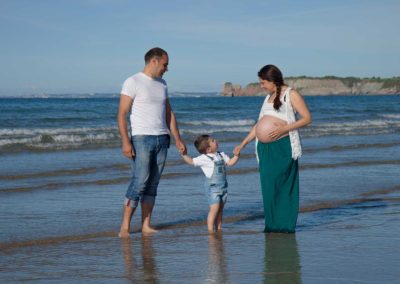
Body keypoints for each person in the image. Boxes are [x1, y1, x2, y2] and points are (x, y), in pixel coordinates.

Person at [234, 64, 312, 233]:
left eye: (263, 83)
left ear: (272, 80)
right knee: (268, 188)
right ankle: (272, 225)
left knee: (283, 185)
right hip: (265, 149)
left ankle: (285, 226)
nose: (261, 86)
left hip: (282, 147)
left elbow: (307, 118)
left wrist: (285, 128)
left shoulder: (291, 94)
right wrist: (243, 143)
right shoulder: (268, 98)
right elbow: (258, 125)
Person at [117, 47, 186, 237]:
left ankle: (146, 225)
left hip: (162, 138)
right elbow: (122, 114)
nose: (166, 68)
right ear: (153, 61)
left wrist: (178, 138)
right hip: (141, 139)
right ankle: (125, 227)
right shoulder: (132, 81)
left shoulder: (162, 84)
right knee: (139, 182)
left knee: (153, 184)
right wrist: (125, 141)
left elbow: (169, 113)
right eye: (165, 64)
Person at [181, 135, 239, 233]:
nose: (216, 141)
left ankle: (219, 228)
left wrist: (236, 155)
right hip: (213, 189)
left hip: (223, 187)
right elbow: (191, 162)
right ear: (208, 149)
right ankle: (210, 230)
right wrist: (184, 154)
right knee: (214, 209)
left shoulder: (221, 154)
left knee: (220, 210)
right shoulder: (204, 158)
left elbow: (230, 163)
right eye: (213, 141)